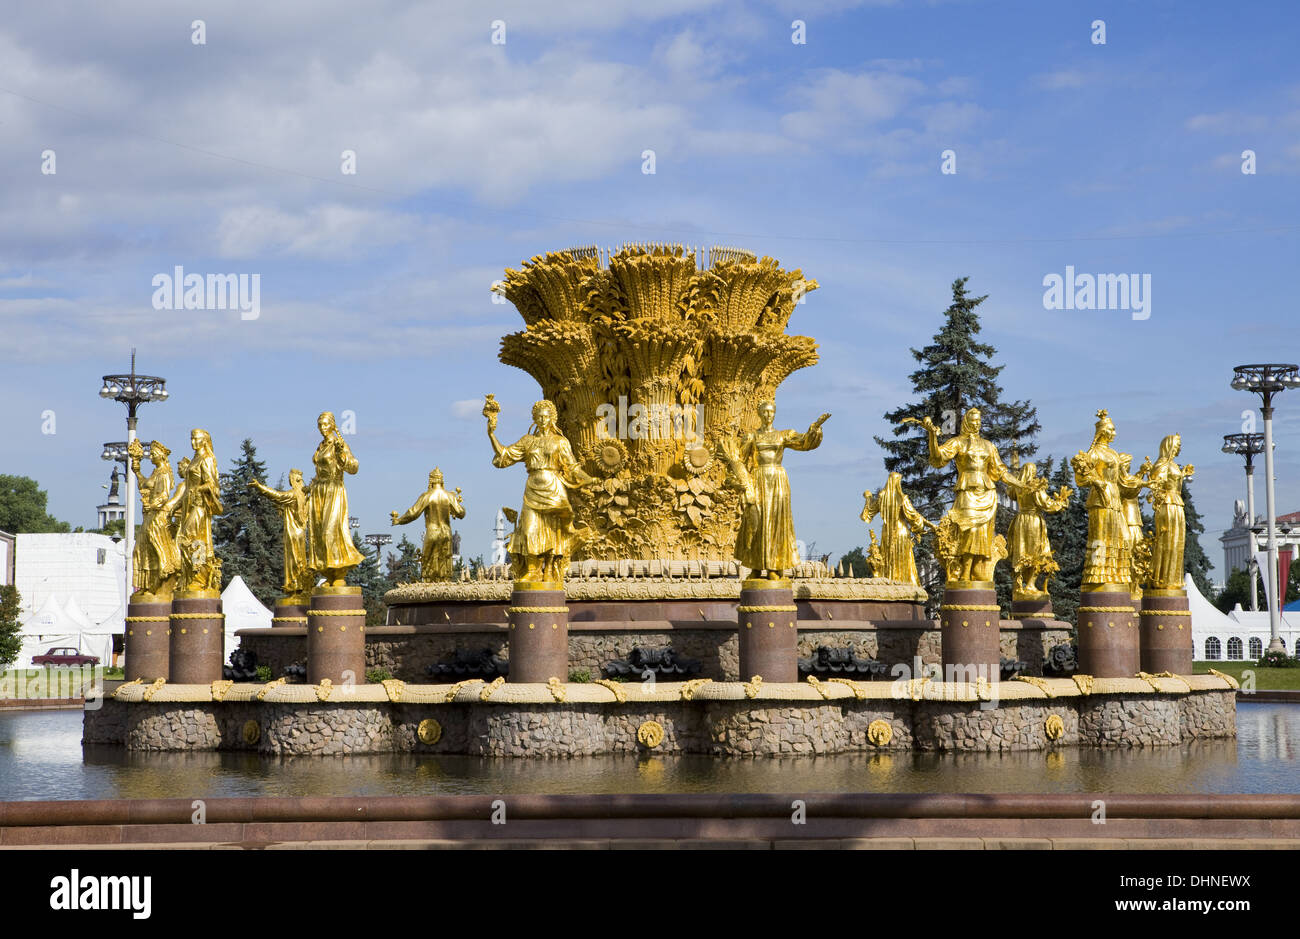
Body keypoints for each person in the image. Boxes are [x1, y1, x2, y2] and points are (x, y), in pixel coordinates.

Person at [486, 398, 597, 583]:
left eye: (546, 416)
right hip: (533, 488)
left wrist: (589, 479)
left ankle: (550, 569)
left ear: (552, 418)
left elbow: (572, 468)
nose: (543, 420)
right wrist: (491, 433)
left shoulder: (560, 442)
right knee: (529, 529)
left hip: (554, 489)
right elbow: (505, 454)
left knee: (555, 530)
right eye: (539, 417)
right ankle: (532, 570)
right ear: (534, 419)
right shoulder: (528, 441)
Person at [719, 400, 829, 580]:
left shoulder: (782, 435)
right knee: (757, 522)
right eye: (765, 412)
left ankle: (775, 568)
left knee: (778, 522)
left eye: (771, 412)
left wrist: (814, 429)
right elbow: (739, 459)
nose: (769, 415)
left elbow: (804, 443)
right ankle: (755, 566)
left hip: (778, 480)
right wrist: (738, 481)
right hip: (758, 479)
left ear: (775, 414)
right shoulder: (752, 437)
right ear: (760, 414)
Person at [911, 407, 1024, 583]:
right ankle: (964, 572)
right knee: (967, 530)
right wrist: (932, 435)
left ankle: (976, 573)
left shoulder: (988, 445)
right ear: (966, 421)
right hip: (967, 493)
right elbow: (938, 458)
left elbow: (1001, 472)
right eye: (973, 420)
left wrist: (1020, 484)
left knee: (982, 534)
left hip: (987, 494)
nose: (976, 423)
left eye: (979, 420)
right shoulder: (958, 442)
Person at [1070, 409, 1150, 588]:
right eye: (1111, 430)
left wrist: (1145, 482)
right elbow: (1080, 478)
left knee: (1120, 537)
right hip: (1099, 499)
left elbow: (1124, 479)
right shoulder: (1094, 454)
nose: (1114, 433)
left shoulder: (1113, 454)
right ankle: (1098, 575)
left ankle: (1115, 574)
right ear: (1102, 431)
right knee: (1100, 536)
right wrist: (1097, 482)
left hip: (1114, 498)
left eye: (1114, 430)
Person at [306, 411, 365, 586]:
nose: (323, 429)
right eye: (320, 426)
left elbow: (353, 468)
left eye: (325, 425)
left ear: (332, 425)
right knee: (318, 535)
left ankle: (339, 572)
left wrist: (342, 455)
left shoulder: (338, 443)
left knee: (331, 531)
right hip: (319, 492)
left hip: (334, 490)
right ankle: (328, 573)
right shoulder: (320, 446)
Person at [167, 429, 223, 593]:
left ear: (204, 440)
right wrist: (176, 507)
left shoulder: (207, 459)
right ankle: (190, 577)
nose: (193, 442)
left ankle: (200, 578)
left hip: (199, 505)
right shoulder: (195, 459)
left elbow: (213, 485)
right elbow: (187, 488)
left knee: (191, 538)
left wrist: (198, 489)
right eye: (191, 439)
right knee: (185, 540)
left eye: (196, 439)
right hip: (188, 505)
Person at [1006, 460, 1072, 597]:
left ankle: (1018, 585)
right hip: (1033, 521)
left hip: (1020, 520)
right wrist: (1061, 502)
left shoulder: (1017, 488)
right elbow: (1046, 504)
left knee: (1021, 553)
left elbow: (1010, 493)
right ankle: (1030, 585)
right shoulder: (1034, 487)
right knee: (1038, 553)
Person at [127, 439, 181, 599]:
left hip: (158, 516)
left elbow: (164, 495)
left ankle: (157, 585)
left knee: (155, 549)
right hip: (149, 515)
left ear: (162, 456)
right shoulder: (156, 472)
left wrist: (152, 505)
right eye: (150, 453)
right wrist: (137, 471)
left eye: (153, 453)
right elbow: (144, 485)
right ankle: (146, 585)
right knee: (141, 549)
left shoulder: (164, 473)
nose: (151, 456)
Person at [391, 468, 466, 582]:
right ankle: (444, 585)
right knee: (444, 563)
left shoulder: (427, 496)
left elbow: (413, 513)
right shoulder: (449, 496)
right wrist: (456, 507)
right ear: (441, 481)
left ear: (431, 480)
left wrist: (399, 520)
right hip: (446, 533)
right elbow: (461, 513)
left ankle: (429, 587)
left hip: (432, 533)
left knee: (428, 563)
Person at [861, 472, 934, 586]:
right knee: (902, 560)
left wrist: (868, 498)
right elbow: (914, 516)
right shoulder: (902, 498)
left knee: (888, 559)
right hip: (901, 532)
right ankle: (904, 584)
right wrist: (929, 525)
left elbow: (869, 512)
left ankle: (889, 583)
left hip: (887, 533)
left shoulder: (882, 497)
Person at [251, 469, 313, 598]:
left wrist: (259, 486)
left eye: (291, 478)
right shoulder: (303, 495)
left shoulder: (294, 494)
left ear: (295, 479)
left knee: (293, 559)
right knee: (300, 559)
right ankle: (301, 586)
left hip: (293, 533)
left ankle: (295, 585)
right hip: (301, 532)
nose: (289, 481)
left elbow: (278, 496)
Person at [1146, 433, 1194, 590]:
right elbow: (1155, 485)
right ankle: (1163, 578)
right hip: (1167, 506)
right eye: (1177, 445)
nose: (1179, 448)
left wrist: (1182, 474)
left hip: (1176, 504)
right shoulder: (1162, 464)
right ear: (1170, 446)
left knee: (1177, 541)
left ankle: (1172, 578)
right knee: (1167, 540)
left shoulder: (1172, 465)